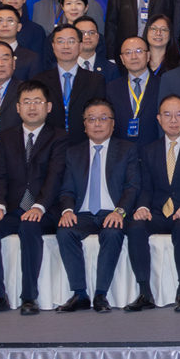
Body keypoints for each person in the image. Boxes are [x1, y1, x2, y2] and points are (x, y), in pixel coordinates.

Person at [0, 81, 66, 315]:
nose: (32, 107)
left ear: (48, 107)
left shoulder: (59, 137)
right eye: (26, 102)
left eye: (38, 102)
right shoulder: (6, 137)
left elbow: (55, 177)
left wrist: (39, 207)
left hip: (46, 210)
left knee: (29, 225)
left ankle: (29, 297)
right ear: (17, 108)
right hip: (13, 209)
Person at [52, 99, 142, 313]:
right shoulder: (73, 152)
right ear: (84, 125)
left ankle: (101, 294)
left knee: (112, 232)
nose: (97, 123)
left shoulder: (127, 149)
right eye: (91, 119)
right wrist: (67, 211)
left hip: (113, 212)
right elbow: (66, 190)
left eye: (103, 118)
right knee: (65, 231)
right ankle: (80, 294)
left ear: (113, 123)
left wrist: (120, 211)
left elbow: (132, 186)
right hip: (83, 214)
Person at [124, 94, 180, 312]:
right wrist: (142, 207)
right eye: (167, 115)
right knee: (135, 227)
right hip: (157, 212)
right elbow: (146, 188)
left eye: (179, 114)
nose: (173, 120)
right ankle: (145, 293)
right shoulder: (149, 150)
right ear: (159, 119)